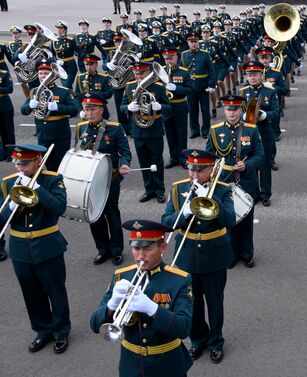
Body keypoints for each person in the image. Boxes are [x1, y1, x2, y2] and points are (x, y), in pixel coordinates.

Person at [90, 220, 193, 376]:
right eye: (136, 248)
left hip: (167, 365)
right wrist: (111, 306)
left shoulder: (180, 280)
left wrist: (152, 309)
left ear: (162, 247)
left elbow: (183, 328)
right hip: (131, 364)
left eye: (148, 248)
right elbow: (94, 324)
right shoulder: (121, 276)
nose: (140, 256)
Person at [162, 149, 235, 364]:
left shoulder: (222, 189)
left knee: (215, 303)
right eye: (191, 169)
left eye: (199, 170)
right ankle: (197, 339)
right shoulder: (178, 189)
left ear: (211, 169)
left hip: (214, 256)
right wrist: (183, 213)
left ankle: (215, 341)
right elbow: (166, 222)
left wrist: (211, 199)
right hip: (187, 256)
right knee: (191, 303)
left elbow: (230, 220)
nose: (194, 175)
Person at [1, 144, 71, 353]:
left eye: (25, 163)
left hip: (48, 244)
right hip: (21, 248)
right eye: (17, 163)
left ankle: (61, 332)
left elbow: (59, 207)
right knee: (31, 293)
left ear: (38, 160)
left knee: (55, 291)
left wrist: (37, 189)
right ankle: (43, 330)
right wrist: (12, 205)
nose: (20, 168)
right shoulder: (8, 183)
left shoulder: (52, 180)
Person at [206, 95, 264, 267]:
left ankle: (247, 254)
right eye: (229, 109)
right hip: (224, 181)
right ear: (224, 110)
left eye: (236, 109)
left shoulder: (251, 130)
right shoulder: (215, 130)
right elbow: (209, 158)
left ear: (241, 110)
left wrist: (247, 165)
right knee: (228, 219)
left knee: (246, 218)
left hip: (245, 181)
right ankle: (230, 255)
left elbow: (260, 155)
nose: (232, 113)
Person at [75, 93, 131, 265]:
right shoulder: (81, 128)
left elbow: (125, 152)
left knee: (111, 214)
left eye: (93, 109)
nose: (89, 113)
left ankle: (116, 250)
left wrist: (124, 164)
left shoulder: (115, 128)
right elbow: (76, 153)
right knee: (94, 215)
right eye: (87, 109)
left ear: (101, 109)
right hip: (89, 182)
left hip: (110, 178)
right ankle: (102, 249)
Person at [121, 61, 169, 203]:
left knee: (157, 161)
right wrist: (128, 108)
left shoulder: (159, 87)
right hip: (138, 130)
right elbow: (121, 106)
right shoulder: (130, 87)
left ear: (148, 72)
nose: (138, 76)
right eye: (136, 73)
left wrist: (160, 107)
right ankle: (149, 189)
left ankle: (160, 190)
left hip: (154, 130)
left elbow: (169, 108)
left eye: (141, 73)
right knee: (144, 162)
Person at [20, 59, 79, 171]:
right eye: (41, 73)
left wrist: (58, 107)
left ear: (53, 75)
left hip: (60, 136)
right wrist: (30, 106)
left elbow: (74, 109)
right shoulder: (34, 91)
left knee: (62, 166)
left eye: (46, 73)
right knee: (49, 165)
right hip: (43, 135)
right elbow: (23, 110)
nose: (43, 76)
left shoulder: (63, 91)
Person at [239, 60, 279, 207]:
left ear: (261, 75)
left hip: (265, 132)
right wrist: (243, 115)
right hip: (249, 133)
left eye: (255, 74)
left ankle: (265, 194)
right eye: (250, 75)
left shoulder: (270, 91)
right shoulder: (243, 92)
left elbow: (276, 112)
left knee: (265, 165)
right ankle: (254, 193)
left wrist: (264, 115)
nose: (253, 77)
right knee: (251, 164)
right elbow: (238, 111)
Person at [162, 46, 193, 169]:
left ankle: (183, 158)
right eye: (166, 59)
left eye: (171, 58)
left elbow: (191, 89)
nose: (168, 61)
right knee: (169, 133)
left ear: (176, 57)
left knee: (181, 133)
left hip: (180, 105)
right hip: (166, 107)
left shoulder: (184, 72)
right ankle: (173, 157)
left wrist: (176, 88)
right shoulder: (161, 72)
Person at [182, 32, 216, 139]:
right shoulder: (184, 55)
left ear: (198, 42)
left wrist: (211, 85)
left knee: (205, 110)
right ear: (188, 43)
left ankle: (205, 131)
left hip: (203, 86)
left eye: (195, 42)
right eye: (191, 42)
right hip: (190, 88)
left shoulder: (205, 54)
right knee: (192, 110)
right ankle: (194, 130)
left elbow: (212, 70)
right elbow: (182, 71)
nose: (194, 44)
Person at [74, 53, 113, 120]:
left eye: (91, 64)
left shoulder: (103, 78)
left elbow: (109, 93)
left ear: (96, 64)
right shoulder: (80, 78)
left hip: (101, 111)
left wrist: (96, 95)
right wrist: (80, 110)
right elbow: (77, 96)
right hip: (86, 112)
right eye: (87, 64)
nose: (89, 67)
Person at [51, 20, 78, 89]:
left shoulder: (71, 40)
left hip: (71, 66)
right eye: (58, 28)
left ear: (65, 30)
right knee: (66, 87)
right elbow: (51, 54)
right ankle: (72, 99)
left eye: (61, 28)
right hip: (61, 66)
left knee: (67, 86)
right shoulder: (54, 40)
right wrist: (56, 60)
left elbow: (80, 52)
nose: (59, 30)